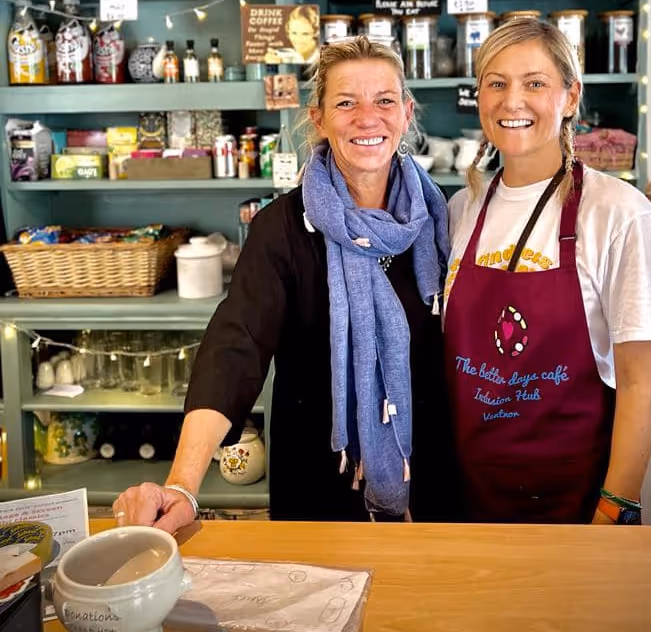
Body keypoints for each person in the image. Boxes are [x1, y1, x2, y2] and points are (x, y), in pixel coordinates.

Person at [112, 37, 454, 531]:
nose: (367, 117)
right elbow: (236, 344)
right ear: (317, 118)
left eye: (383, 101)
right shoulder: (283, 227)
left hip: (433, 473)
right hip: (321, 483)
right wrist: (183, 482)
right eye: (345, 102)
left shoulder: (442, 217)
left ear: (406, 112)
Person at [443, 18, 651, 525]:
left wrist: (615, 507)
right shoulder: (461, 208)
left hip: (576, 499)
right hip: (467, 494)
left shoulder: (619, 212)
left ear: (570, 96)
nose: (511, 101)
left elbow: (640, 383)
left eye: (535, 83)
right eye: (495, 83)